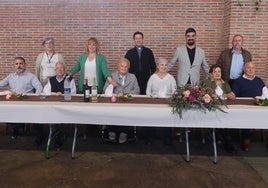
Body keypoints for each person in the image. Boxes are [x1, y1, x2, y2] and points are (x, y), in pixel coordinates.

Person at [0, 57, 43, 139]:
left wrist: (35, 98)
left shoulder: (31, 76)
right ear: (14, 65)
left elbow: (39, 87)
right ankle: (16, 128)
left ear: (25, 65)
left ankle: (20, 127)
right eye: (16, 64)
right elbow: (1, 83)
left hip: (26, 102)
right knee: (5, 111)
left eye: (21, 63)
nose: (19, 66)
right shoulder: (11, 76)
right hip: (13, 102)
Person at [103, 57, 140, 143]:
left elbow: (137, 91)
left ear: (128, 68)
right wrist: (112, 86)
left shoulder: (133, 77)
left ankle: (124, 133)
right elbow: (104, 90)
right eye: (122, 66)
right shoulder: (112, 76)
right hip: (114, 104)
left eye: (125, 67)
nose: (123, 68)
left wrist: (126, 94)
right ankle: (111, 131)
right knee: (112, 113)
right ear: (118, 67)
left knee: (127, 115)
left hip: (128, 104)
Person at [232, 61, 265, 151]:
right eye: (248, 68)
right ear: (244, 69)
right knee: (246, 116)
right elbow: (234, 97)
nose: (251, 70)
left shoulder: (259, 80)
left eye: (253, 68)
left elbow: (264, 94)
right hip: (244, 108)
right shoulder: (238, 81)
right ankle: (246, 140)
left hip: (258, 106)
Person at [42, 61, 76, 148]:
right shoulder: (51, 79)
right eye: (57, 68)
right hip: (53, 105)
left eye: (61, 68)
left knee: (59, 120)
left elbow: (73, 93)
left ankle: (57, 138)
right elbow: (46, 92)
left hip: (66, 106)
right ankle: (56, 137)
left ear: (65, 69)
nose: (59, 70)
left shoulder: (69, 79)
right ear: (55, 70)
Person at [146, 57, 177, 145]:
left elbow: (175, 91)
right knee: (152, 117)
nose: (164, 67)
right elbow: (148, 91)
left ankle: (167, 137)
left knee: (167, 118)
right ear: (158, 66)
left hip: (167, 102)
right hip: (154, 102)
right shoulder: (153, 77)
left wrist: (170, 97)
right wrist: (153, 96)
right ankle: (151, 137)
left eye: (165, 65)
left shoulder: (171, 78)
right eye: (161, 65)